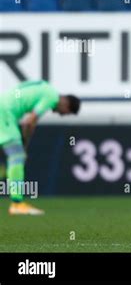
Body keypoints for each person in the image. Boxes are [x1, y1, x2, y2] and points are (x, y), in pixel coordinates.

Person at [0, 80, 80, 215]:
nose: (61, 115)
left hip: (4, 110)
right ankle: (17, 204)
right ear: (66, 104)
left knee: (17, 155)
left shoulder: (45, 87)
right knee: (17, 156)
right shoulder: (51, 97)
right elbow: (28, 123)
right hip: (4, 113)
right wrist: (24, 147)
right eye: (65, 113)